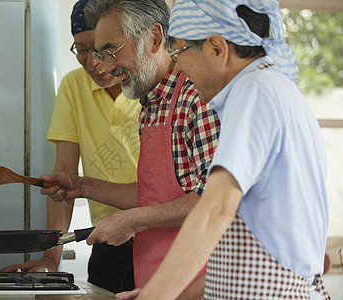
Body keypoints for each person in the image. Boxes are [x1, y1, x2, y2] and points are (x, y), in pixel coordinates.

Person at [119, 1, 331, 299]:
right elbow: (240, 257)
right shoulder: (275, 89)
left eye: (178, 51)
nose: (176, 65)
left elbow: (214, 210)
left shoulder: (254, 92)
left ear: (217, 49)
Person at [41, 0, 220, 298]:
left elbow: (212, 200)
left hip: (198, 283)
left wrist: (132, 220)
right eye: (96, 53)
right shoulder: (150, 104)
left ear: (154, 38)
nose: (105, 65)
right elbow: (157, 195)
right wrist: (84, 186)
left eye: (110, 51)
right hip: (156, 277)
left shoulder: (196, 98)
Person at [0, 0, 141, 293]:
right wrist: (52, 256)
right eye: (81, 49)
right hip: (106, 239)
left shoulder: (149, 86)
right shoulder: (73, 86)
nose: (93, 62)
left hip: (162, 234)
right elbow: (63, 176)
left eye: (101, 49)